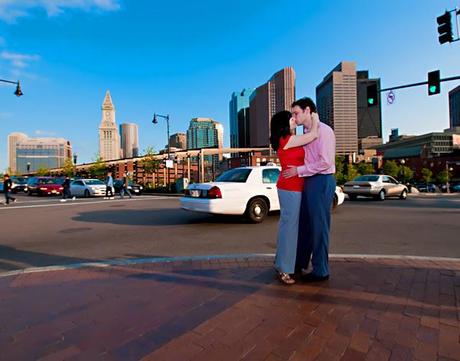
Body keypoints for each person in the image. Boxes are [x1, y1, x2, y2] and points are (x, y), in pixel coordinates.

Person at [283, 97, 336, 282]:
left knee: (319, 226)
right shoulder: (307, 133)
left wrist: (298, 170)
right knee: (304, 224)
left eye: (296, 113)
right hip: (308, 181)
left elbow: (325, 162)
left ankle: (321, 270)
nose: (294, 117)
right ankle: (300, 263)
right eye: (292, 114)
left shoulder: (325, 131)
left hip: (322, 180)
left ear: (308, 110)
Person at [270, 110, 320, 285]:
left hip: (291, 187)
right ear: (284, 124)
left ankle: (280, 263)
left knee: (287, 227)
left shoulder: (289, 139)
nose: (294, 120)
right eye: (291, 119)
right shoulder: (287, 140)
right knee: (290, 229)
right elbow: (314, 134)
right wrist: (314, 117)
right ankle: (284, 269)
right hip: (290, 188)